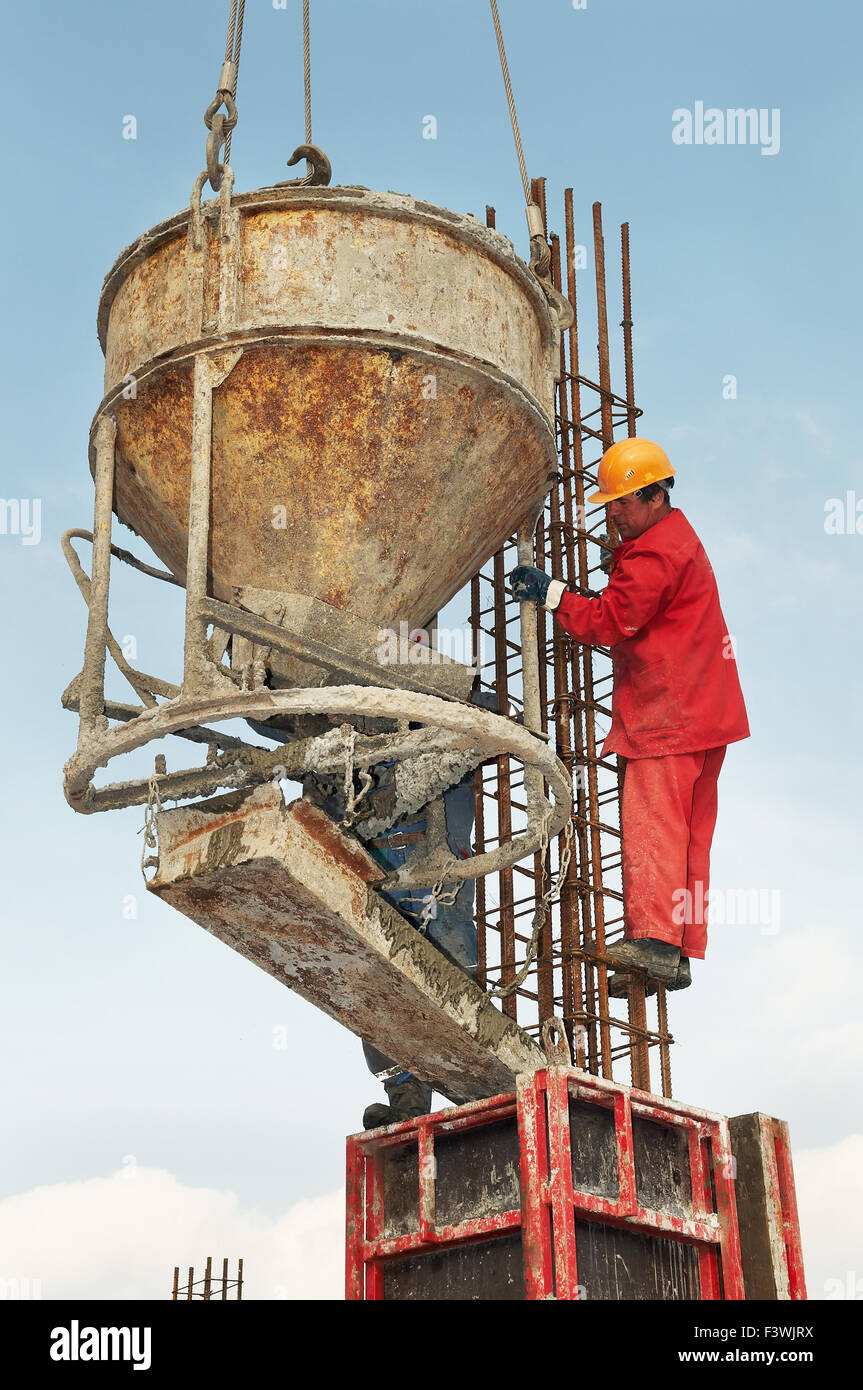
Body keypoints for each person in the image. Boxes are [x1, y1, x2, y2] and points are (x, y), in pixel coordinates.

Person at [511, 437, 749, 994]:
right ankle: (678, 951)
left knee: (653, 824)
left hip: (669, 716)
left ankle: (653, 940)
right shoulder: (673, 537)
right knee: (691, 834)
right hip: (706, 714)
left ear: (653, 495)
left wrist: (551, 596)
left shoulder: (655, 554)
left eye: (620, 501)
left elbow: (609, 621)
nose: (611, 511)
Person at [303, 688, 504, 1129]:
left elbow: (490, 712)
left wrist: (437, 704)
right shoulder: (349, 743)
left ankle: (477, 1070)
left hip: (433, 867)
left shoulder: (437, 716)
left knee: (447, 966)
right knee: (375, 974)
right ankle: (407, 1093)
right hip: (379, 866)